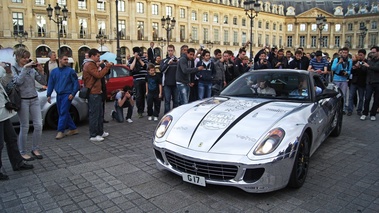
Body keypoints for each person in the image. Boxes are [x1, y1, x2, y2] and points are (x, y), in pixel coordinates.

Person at [0, 64, 34, 181]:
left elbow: (7, 84)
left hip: (3, 114)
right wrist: (1, 68)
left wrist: (8, 72)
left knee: (12, 138)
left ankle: (17, 163)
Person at [12, 48, 46, 161]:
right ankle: (22, 151)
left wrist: (41, 71)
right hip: (23, 100)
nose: (26, 60)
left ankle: (35, 148)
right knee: (25, 126)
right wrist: (25, 69)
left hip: (34, 98)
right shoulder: (14, 68)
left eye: (27, 57)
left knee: (38, 125)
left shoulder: (31, 68)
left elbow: (43, 82)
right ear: (18, 57)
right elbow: (17, 82)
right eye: (24, 58)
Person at [46, 54, 79, 140]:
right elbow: (51, 83)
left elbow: (76, 83)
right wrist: (48, 94)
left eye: (67, 59)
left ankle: (60, 131)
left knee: (63, 111)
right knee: (62, 112)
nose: (66, 61)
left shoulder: (70, 71)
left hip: (67, 94)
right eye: (65, 59)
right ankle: (73, 128)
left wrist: (73, 93)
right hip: (59, 94)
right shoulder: (54, 72)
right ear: (59, 60)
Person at [83, 48, 113, 142]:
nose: (99, 58)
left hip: (97, 92)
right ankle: (93, 134)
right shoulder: (89, 65)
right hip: (93, 93)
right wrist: (107, 67)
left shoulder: (92, 64)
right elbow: (98, 75)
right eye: (98, 56)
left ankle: (100, 132)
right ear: (92, 56)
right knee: (94, 114)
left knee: (100, 114)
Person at [128, 46, 148, 118]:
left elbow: (146, 67)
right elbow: (131, 67)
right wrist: (135, 59)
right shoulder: (131, 59)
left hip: (144, 79)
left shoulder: (144, 59)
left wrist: (139, 60)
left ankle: (143, 109)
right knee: (138, 96)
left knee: (144, 95)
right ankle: (140, 111)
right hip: (137, 80)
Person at [360, 46, 379, 121]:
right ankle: (365, 113)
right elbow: (364, 70)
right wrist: (362, 66)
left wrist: (368, 66)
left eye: (374, 52)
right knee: (367, 98)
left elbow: (377, 68)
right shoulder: (369, 60)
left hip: (377, 82)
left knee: (376, 99)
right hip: (369, 82)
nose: (372, 54)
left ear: (378, 52)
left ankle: (373, 114)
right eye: (371, 52)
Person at [331, 47, 352, 113]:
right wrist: (338, 63)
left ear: (348, 53)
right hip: (336, 78)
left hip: (344, 79)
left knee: (343, 94)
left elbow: (349, 70)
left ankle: (342, 109)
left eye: (346, 53)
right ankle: (335, 107)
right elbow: (333, 68)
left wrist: (347, 73)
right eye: (343, 53)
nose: (344, 54)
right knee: (336, 94)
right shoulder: (336, 59)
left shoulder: (349, 61)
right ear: (341, 53)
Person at [347, 49, 367, 116]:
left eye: (361, 55)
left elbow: (366, 71)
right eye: (359, 55)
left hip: (362, 82)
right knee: (351, 96)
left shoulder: (366, 62)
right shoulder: (355, 61)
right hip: (354, 81)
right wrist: (355, 67)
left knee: (361, 97)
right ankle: (350, 110)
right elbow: (351, 71)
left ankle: (359, 110)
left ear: (364, 55)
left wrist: (360, 67)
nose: (360, 56)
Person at [160, 44, 179, 114]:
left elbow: (182, 70)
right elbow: (161, 70)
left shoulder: (177, 60)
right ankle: (167, 115)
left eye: (171, 51)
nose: (170, 52)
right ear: (167, 51)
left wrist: (178, 63)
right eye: (169, 51)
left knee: (176, 101)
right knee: (167, 101)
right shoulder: (164, 60)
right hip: (167, 83)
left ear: (174, 51)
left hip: (175, 83)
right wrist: (168, 63)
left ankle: (175, 114)